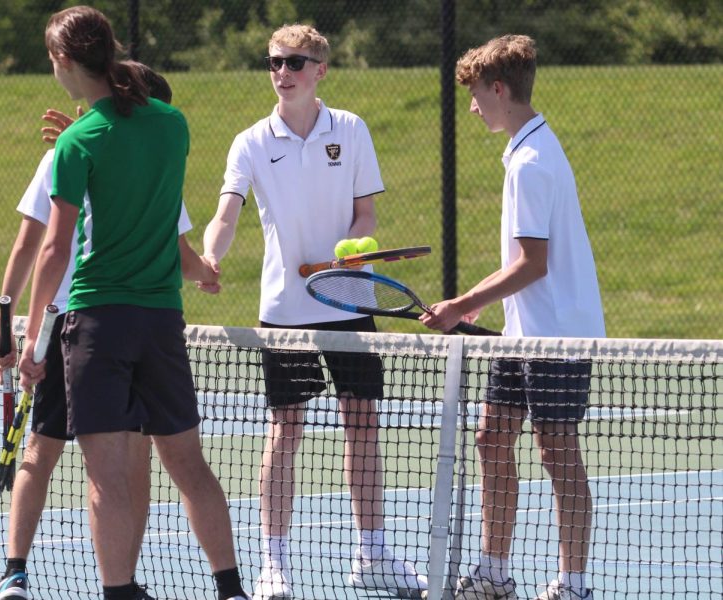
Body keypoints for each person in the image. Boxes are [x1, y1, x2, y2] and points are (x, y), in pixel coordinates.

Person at [17, 6, 248, 600]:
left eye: (51, 58)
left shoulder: (76, 142)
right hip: (161, 321)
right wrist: (200, 272)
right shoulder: (173, 125)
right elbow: (168, 231)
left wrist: (33, 336)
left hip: (98, 324)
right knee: (190, 466)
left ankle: (118, 592)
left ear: (64, 61)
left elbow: (54, 249)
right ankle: (230, 589)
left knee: (106, 475)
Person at [201, 23, 427, 600]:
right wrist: (209, 256)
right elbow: (227, 213)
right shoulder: (251, 141)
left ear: (321, 69)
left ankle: (372, 554)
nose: (283, 72)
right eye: (275, 62)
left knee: (363, 425)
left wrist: (347, 255)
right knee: (286, 429)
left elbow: (366, 217)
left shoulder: (349, 130)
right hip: (284, 309)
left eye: (296, 63)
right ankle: (273, 565)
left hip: (349, 300)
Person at [420, 35, 603, 600]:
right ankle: (495, 573)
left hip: (558, 337)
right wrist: (477, 306)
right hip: (522, 334)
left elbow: (533, 264)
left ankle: (572, 586)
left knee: (556, 451)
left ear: (499, 89)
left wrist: (460, 305)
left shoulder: (531, 162)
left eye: (476, 94)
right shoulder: (529, 150)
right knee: (492, 438)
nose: (472, 106)